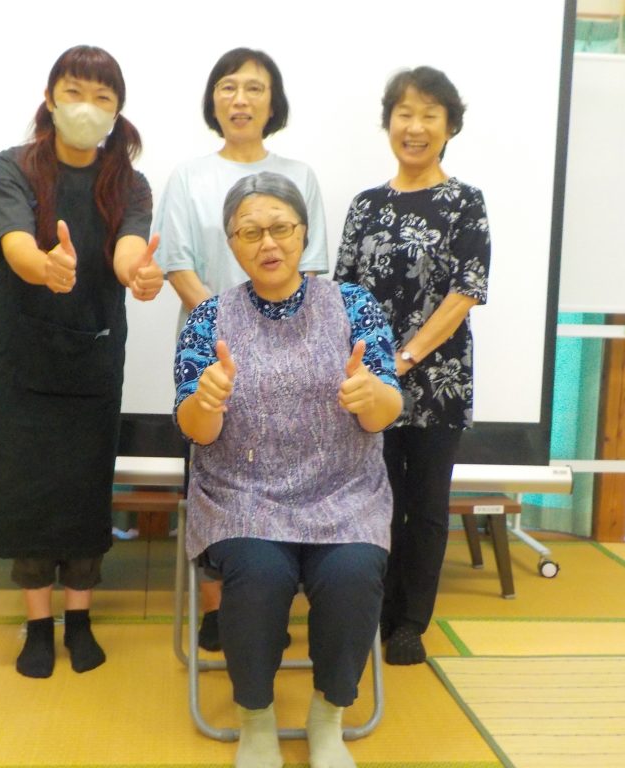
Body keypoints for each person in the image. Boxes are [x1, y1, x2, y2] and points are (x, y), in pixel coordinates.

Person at [175, 172, 401, 768]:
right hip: (242, 496)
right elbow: (196, 430)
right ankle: (256, 721)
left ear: (303, 232)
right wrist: (206, 401)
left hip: (345, 494)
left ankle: (328, 718)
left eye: (280, 227)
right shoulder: (208, 317)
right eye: (250, 232)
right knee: (258, 575)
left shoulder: (354, 305)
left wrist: (370, 395)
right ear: (232, 243)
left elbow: (386, 409)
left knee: (354, 573)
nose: (268, 243)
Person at [0, 45, 163, 679]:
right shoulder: (13, 167)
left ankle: (79, 618)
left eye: (102, 98)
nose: (87, 107)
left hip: (92, 358)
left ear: (117, 112)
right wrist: (44, 266)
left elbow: (128, 247)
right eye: (75, 92)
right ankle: (36, 624)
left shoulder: (128, 182)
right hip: (19, 362)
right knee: (25, 490)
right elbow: (16, 245)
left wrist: (136, 273)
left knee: (83, 490)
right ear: (51, 99)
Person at [154, 47, 329, 652]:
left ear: (273, 103)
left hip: (292, 355)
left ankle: (270, 603)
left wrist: (269, 337)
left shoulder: (300, 175)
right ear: (214, 100)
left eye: (255, 88)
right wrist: (230, 333)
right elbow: (177, 265)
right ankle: (215, 609)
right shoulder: (188, 177)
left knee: (287, 477)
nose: (241, 99)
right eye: (228, 87)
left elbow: (312, 267)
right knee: (213, 479)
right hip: (212, 355)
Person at [333, 66, 491, 666]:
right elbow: (344, 293)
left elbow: (465, 293)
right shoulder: (366, 205)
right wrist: (369, 365)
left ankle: (409, 624)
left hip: (437, 381)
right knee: (373, 500)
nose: (415, 126)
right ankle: (369, 612)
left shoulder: (465, 203)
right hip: (370, 381)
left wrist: (403, 358)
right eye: (404, 113)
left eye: (429, 114)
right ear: (388, 123)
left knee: (424, 506)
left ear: (450, 126)